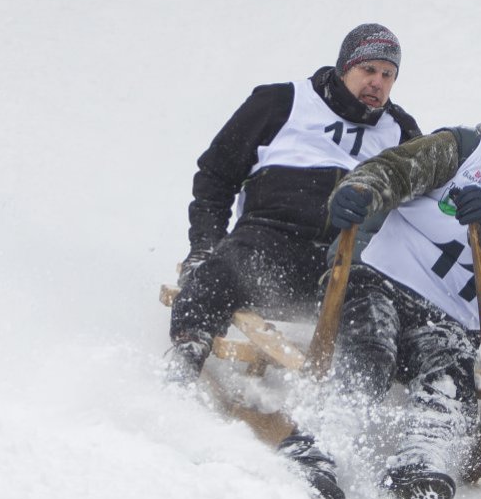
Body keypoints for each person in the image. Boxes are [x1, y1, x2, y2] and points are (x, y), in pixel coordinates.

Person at [280, 93, 481, 499]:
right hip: (382, 278)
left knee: (451, 379)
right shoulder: (460, 150)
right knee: (370, 350)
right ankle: (315, 445)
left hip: (450, 316)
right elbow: (394, 170)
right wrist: (360, 190)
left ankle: (418, 466)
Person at [166, 23, 420, 384]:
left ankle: (419, 399)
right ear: (345, 67)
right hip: (270, 246)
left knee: (392, 317)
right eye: (368, 70)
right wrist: (204, 245)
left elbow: (420, 210)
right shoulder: (281, 102)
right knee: (220, 272)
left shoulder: (401, 132)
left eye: (388, 74)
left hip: (346, 262)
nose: (377, 82)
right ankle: (186, 357)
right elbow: (216, 176)